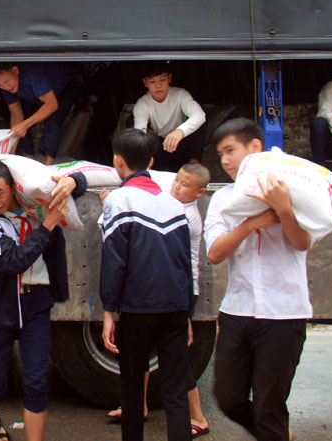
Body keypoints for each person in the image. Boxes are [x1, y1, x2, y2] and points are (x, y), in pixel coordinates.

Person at [204, 118, 312, 441]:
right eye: (221, 154)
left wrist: (284, 211)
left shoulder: (292, 190)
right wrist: (251, 224)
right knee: (227, 397)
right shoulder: (223, 200)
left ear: (254, 148)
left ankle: (274, 431)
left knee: (269, 405)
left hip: (284, 314)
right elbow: (214, 252)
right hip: (238, 311)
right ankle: (277, 433)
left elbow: (303, 242)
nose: (225, 160)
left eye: (231, 150)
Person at [0, 158, 87, 441]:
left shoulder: (34, 204)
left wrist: (73, 181)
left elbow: (79, 182)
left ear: (13, 187)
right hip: (1, 306)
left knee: (36, 381)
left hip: (36, 303)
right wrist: (47, 227)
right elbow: (14, 261)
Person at [104, 162, 212, 438]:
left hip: (145, 302)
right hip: (176, 300)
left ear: (200, 192)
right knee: (174, 383)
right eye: (176, 180)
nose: (176, 186)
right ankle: (187, 421)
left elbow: (117, 258)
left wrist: (109, 307)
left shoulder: (184, 214)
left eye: (184, 185)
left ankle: (193, 417)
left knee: (135, 379)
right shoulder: (174, 206)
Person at [0, 62, 84, 165]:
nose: (6, 87)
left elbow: (52, 105)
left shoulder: (32, 74)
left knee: (54, 117)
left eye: (6, 81)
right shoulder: (6, 87)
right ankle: (29, 159)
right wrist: (11, 151)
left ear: (15, 70)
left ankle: (49, 164)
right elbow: (16, 115)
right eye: (0, 85)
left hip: (67, 83)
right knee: (24, 117)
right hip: (40, 95)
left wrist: (25, 125)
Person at [132, 62, 206, 172]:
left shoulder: (180, 94)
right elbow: (140, 131)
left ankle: (194, 168)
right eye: (152, 82)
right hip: (158, 149)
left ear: (169, 78)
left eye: (162, 80)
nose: (158, 86)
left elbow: (200, 115)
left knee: (199, 123)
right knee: (135, 131)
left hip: (180, 144)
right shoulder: (142, 104)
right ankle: (145, 168)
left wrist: (180, 131)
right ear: (145, 83)